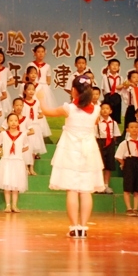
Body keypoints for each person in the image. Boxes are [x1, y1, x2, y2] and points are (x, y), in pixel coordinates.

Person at [39, 76, 104, 238]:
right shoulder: (96, 109)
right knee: (86, 190)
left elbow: (46, 111)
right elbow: (95, 122)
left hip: (70, 150)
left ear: (74, 90)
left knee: (72, 190)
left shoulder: (68, 108)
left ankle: (74, 227)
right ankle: (83, 228)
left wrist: (40, 98)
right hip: (89, 150)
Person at [0, 113, 29, 213]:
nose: (13, 123)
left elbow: (26, 146)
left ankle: (14, 205)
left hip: (17, 162)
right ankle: (8, 205)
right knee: (7, 184)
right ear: (7, 122)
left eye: (16, 120)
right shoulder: (4, 134)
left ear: (18, 122)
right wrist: (2, 150)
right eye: (11, 121)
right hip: (6, 162)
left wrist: (18, 151)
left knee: (16, 185)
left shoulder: (23, 135)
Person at [115, 122, 138, 217]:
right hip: (128, 163)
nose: (134, 129)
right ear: (127, 130)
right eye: (131, 127)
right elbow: (118, 156)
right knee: (127, 186)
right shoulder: (124, 143)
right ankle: (129, 208)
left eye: (136, 127)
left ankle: (135, 208)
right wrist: (124, 164)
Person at [95, 102, 120, 194]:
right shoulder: (97, 122)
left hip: (110, 143)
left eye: (107, 108)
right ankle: (98, 185)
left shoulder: (113, 123)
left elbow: (115, 135)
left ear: (110, 111)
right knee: (99, 164)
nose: (105, 110)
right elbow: (94, 135)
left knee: (108, 165)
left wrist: (110, 142)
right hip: (99, 142)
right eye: (103, 108)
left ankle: (106, 185)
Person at [101, 58, 123, 123]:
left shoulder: (120, 78)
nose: (115, 66)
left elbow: (122, 88)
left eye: (117, 65)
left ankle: (115, 127)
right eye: (113, 65)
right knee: (107, 114)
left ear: (119, 67)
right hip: (108, 96)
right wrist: (105, 97)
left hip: (117, 97)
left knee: (116, 115)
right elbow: (102, 88)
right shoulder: (105, 77)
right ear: (108, 67)